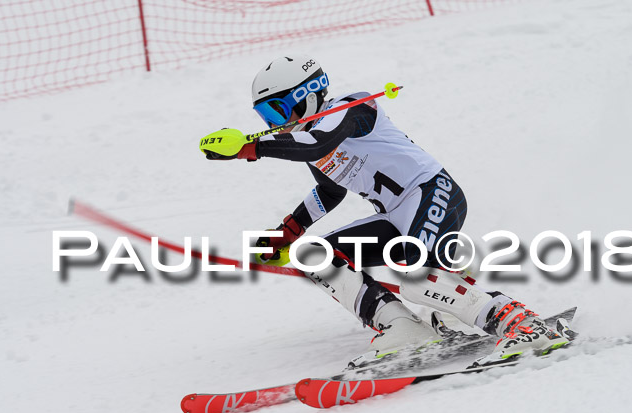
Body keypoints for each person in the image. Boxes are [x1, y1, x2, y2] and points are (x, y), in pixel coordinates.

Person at [202, 54, 569, 365]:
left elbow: (317, 144)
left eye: (278, 110)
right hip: (395, 214)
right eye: (266, 117)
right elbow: (329, 191)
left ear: (306, 95)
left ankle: (520, 323)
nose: (275, 124)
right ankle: (402, 328)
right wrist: (287, 233)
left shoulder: (352, 106)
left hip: (432, 191)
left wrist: (250, 148)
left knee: (413, 276)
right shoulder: (310, 134)